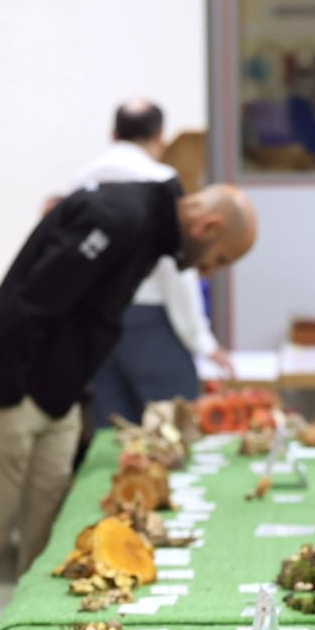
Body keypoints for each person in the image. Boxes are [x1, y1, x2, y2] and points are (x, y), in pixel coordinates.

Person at [0, 181, 259, 597]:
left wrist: (60, 397)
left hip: (51, 400)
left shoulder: (149, 230)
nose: (204, 271)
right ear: (209, 226)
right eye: (216, 260)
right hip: (7, 386)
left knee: (48, 540)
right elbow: (34, 302)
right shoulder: (119, 218)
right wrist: (9, 394)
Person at [69, 99, 235, 427]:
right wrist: (202, 340)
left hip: (96, 325)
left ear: (112, 133)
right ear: (160, 136)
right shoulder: (161, 182)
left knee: (114, 436)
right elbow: (175, 269)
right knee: (176, 427)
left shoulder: (81, 181)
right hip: (150, 323)